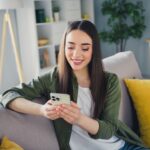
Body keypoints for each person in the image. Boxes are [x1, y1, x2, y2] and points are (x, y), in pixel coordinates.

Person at [0, 20, 148, 150]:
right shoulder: (54, 78)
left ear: (93, 50)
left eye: (84, 48)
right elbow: (8, 95)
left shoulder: (109, 81)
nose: (76, 55)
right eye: (70, 47)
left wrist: (79, 119)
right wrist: (42, 109)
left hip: (122, 147)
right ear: (64, 48)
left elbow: (108, 130)